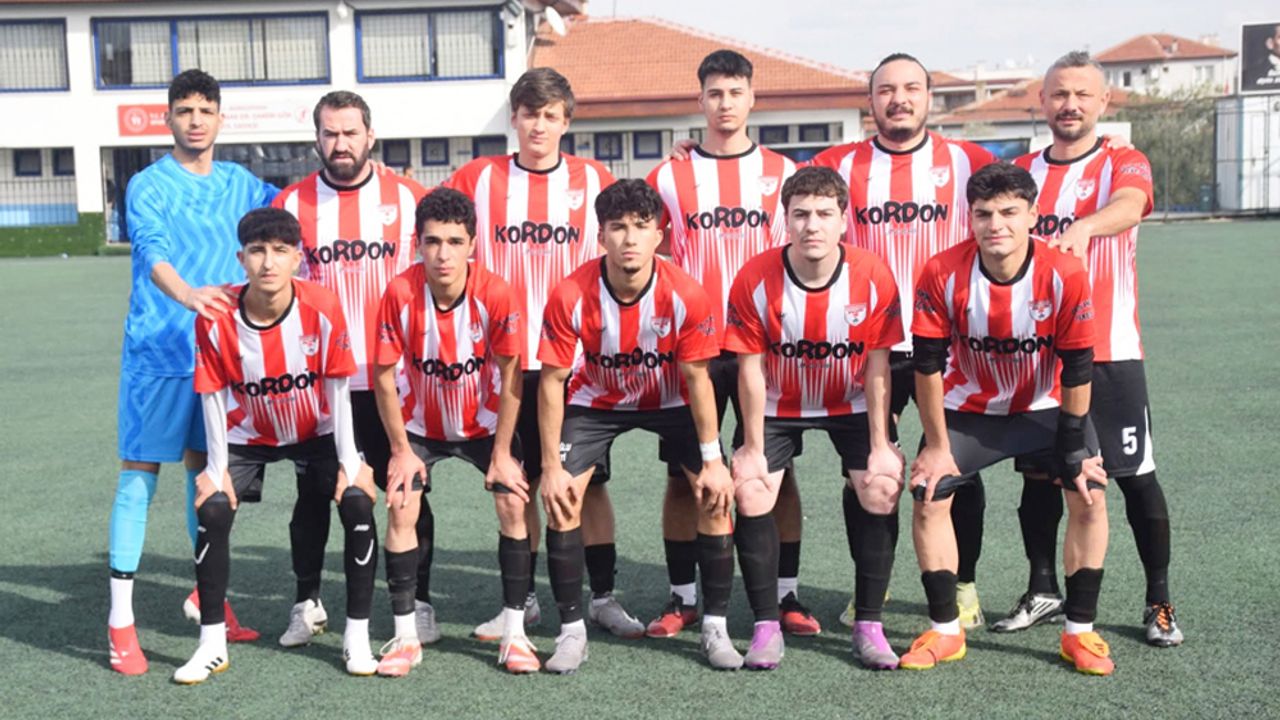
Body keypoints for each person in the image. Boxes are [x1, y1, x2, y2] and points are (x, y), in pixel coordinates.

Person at [445, 68, 642, 642]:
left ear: (566, 122)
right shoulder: (477, 179)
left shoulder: (594, 178)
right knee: (519, 484)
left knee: (588, 485)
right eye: (530, 114)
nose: (539, 125)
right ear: (514, 118)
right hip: (504, 365)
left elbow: (634, 234)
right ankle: (524, 601)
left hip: (574, 367)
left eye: (551, 115)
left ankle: (602, 597)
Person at [993, 51, 1182, 647]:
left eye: (1081, 95)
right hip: (1037, 355)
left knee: (1133, 477)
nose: (1069, 105)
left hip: (1108, 351)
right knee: (1040, 476)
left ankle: (1159, 601)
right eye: (1059, 94)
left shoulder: (1123, 160)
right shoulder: (1022, 170)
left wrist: (1084, 226)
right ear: (1042, 102)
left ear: (1104, 102)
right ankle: (1043, 590)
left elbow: (1131, 205)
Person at [902, 162, 1114, 676]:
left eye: (1009, 212)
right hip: (972, 410)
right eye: (984, 214)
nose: (996, 224)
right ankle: (946, 631)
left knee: (1088, 493)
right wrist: (936, 446)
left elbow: (1078, 367)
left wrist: (1072, 446)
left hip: (1046, 409)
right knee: (930, 493)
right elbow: (927, 366)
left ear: (1033, 215)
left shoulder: (1064, 273)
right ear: (970, 218)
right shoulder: (941, 271)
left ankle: (1079, 633)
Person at [809, 53, 997, 631]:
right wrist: (689, 152)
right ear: (870, 102)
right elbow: (779, 192)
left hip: (952, 346)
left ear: (929, 97)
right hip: (873, 348)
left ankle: (963, 584)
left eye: (911, 87)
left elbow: (1020, 200)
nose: (899, 99)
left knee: (957, 468)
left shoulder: (969, 161)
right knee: (870, 470)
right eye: (886, 89)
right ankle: (874, 584)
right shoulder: (837, 164)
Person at [108, 69, 276, 675]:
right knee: (139, 476)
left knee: (206, 476)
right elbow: (151, 250)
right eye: (185, 110)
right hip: (157, 353)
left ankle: (208, 598)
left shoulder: (242, 184)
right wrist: (187, 295)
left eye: (206, 110)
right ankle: (120, 624)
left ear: (220, 119)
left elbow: (294, 210)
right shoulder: (148, 184)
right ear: (169, 119)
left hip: (218, 357)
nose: (196, 120)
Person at [644, 49, 813, 639]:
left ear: (752, 98)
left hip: (764, 349)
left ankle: (787, 595)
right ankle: (684, 596)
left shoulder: (783, 172)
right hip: (694, 350)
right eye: (714, 93)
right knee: (684, 474)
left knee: (775, 473)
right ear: (700, 100)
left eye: (735, 92)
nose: (725, 104)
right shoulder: (669, 176)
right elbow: (651, 250)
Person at [536, 179, 736, 673]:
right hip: (596, 401)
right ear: (600, 235)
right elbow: (553, 381)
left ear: (659, 235)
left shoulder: (685, 293)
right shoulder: (570, 293)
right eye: (618, 227)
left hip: (671, 399)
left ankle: (715, 626)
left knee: (715, 495)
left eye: (641, 227)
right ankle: (572, 631)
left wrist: (713, 461)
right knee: (563, 498)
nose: (629, 238)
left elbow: (699, 379)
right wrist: (551, 466)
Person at [175, 207, 378, 684]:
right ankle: (211, 644)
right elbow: (211, 393)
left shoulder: (322, 306)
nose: (269, 262)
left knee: (356, 500)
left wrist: (350, 462)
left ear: (298, 258)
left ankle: (356, 635)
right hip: (248, 432)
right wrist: (217, 469)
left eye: (280, 251)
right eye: (257, 251)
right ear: (240, 258)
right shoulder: (216, 316)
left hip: (316, 429)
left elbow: (338, 388)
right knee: (213, 508)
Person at [726, 167, 903, 670]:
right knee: (752, 488)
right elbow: (750, 370)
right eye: (801, 214)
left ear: (844, 220)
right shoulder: (755, 277)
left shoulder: (872, 274)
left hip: (851, 401)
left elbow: (878, 367)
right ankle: (765, 625)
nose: (812, 225)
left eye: (825, 214)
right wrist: (752, 448)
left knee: (881, 485)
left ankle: (869, 625)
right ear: (785, 220)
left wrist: (880, 446)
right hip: (778, 403)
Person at [271, 90, 430, 649]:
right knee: (314, 494)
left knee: (407, 491)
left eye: (350, 132)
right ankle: (307, 602)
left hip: (393, 381)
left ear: (370, 136)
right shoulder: (291, 205)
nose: (340, 143)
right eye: (330, 133)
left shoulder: (409, 198)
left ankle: (420, 603)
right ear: (317, 139)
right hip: (323, 384)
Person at [370, 188, 537, 676]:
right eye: (432, 242)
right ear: (417, 244)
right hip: (419, 424)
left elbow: (512, 375)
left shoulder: (496, 293)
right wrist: (400, 450)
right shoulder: (399, 293)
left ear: (472, 245)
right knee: (402, 501)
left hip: (484, 422)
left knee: (513, 500)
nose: (443, 254)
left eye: (455, 242)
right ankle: (406, 636)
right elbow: (383, 376)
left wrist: (502, 453)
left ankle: (515, 634)